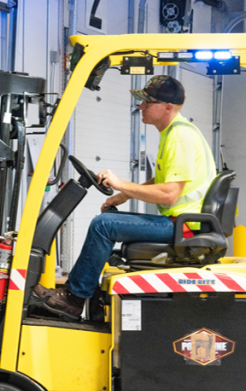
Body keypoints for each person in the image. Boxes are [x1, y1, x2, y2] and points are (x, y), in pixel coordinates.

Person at [37, 75, 217, 320]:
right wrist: (121, 195)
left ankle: (74, 299)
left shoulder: (179, 137)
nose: (140, 106)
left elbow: (170, 193)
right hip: (182, 223)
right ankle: (80, 294)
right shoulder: (175, 132)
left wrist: (120, 183)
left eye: (147, 102)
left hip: (184, 227)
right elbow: (164, 179)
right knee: (109, 219)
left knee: (103, 225)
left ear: (167, 107)